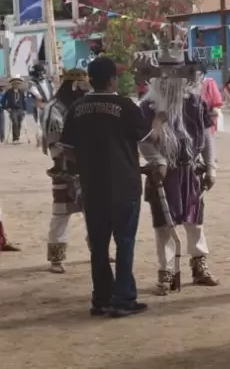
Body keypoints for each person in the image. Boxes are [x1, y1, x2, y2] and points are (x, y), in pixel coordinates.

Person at [58, 56, 149, 317]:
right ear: (111, 79)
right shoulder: (125, 106)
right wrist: (159, 123)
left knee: (98, 245)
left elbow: (68, 150)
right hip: (124, 185)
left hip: (93, 186)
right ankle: (123, 299)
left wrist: (87, 164)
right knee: (124, 242)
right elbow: (147, 138)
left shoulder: (77, 108)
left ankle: (101, 297)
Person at [136, 48, 220, 295]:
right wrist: (159, 161)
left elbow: (206, 137)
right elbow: (142, 141)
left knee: (195, 221)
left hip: (190, 171)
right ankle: (167, 271)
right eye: (165, 73)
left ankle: (199, 265)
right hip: (163, 174)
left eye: (175, 73)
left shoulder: (195, 103)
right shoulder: (147, 107)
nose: (170, 79)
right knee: (164, 225)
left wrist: (211, 167)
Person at [41, 68, 92, 272]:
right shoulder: (53, 108)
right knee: (61, 213)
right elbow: (54, 142)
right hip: (64, 167)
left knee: (93, 210)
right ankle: (56, 257)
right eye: (82, 87)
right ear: (74, 85)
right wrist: (67, 159)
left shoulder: (85, 105)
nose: (85, 91)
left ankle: (98, 249)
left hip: (88, 167)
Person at [194, 64, 224, 136]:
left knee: (207, 138)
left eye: (198, 74)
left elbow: (216, 99)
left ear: (202, 74)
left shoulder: (209, 82)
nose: (195, 76)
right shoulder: (190, 84)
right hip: (194, 116)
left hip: (207, 116)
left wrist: (215, 110)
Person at [28, 63, 53, 147]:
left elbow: (53, 91)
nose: (43, 74)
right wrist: (39, 98)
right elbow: (35, 93)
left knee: (50, 122)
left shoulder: (48, 81)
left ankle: (49, 139)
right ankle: (40, 140)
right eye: (42, 72)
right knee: (40, 123)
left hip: (50, 104)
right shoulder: (32, 82)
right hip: (40, 105)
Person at [2, 75, 28, 144]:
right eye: (15, 83)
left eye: (17, 83)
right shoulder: (8, 92)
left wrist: (25, 110)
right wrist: (6, 108)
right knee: (15, 122)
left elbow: (24, 101)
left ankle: (17, 138)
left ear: (19, 84)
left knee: (19, 123)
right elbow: (3, 101)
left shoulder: (21, 92)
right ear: (12, 84)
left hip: (20, 109)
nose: (16, 85)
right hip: (12, 109)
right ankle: (15, 139)